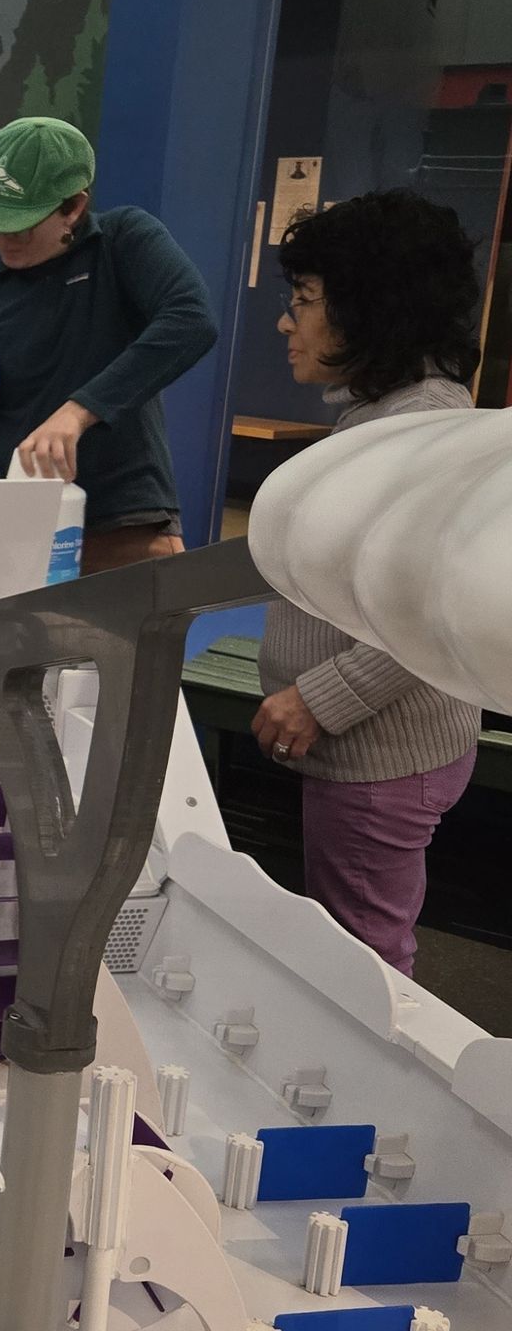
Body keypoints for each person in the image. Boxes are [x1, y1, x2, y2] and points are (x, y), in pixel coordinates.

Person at [252, 190, 482, 977]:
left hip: (379, 759)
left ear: (372, 307)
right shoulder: (383, 414)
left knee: (364, 967)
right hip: (371, 754)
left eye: (307, 301)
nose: (288, 322)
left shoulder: (424, 428)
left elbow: (434, 608)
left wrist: (323, 698)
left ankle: (371, 1098)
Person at [0, 117, 218, 572]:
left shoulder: (123, 242)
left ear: (74, 207)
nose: (5, 237)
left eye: (22, 225)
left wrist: (80, 410)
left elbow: (192, 320)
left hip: (126, 525)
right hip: (11, 533)